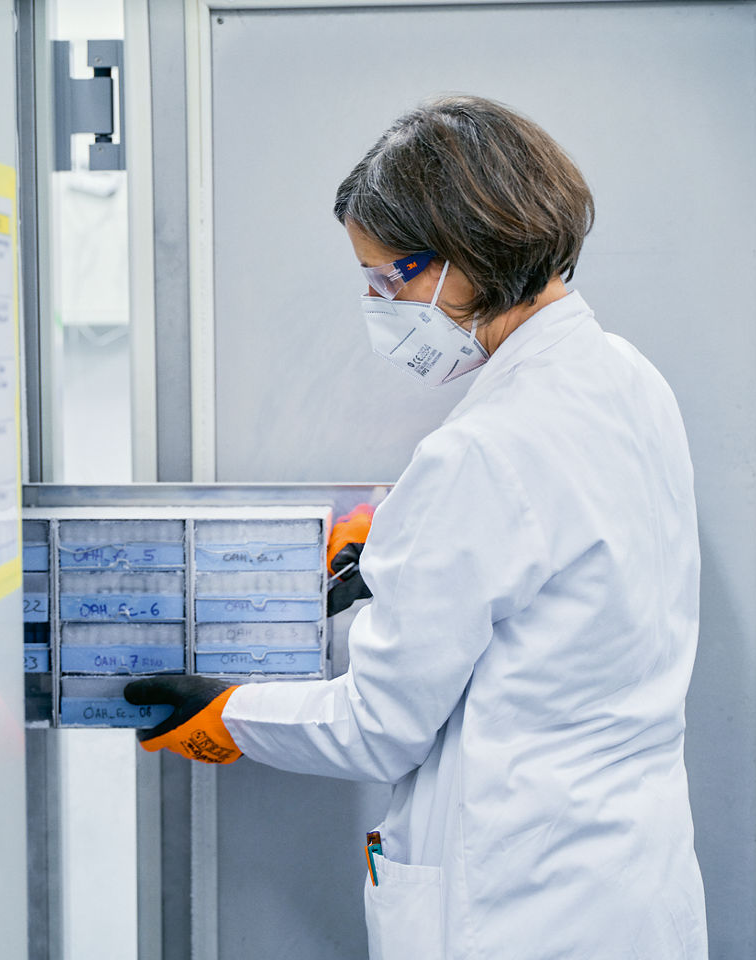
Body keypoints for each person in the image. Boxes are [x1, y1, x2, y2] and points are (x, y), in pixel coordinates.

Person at [126, 95, 708, 960]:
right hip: (631, 882)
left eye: (388, 279)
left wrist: (227, 712)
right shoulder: (626, 377)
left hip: (519, 909)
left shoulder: (483, 448)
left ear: (468, 253)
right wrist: (400, 559)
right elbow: (551, 579)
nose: (380, 303)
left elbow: (376, 726)